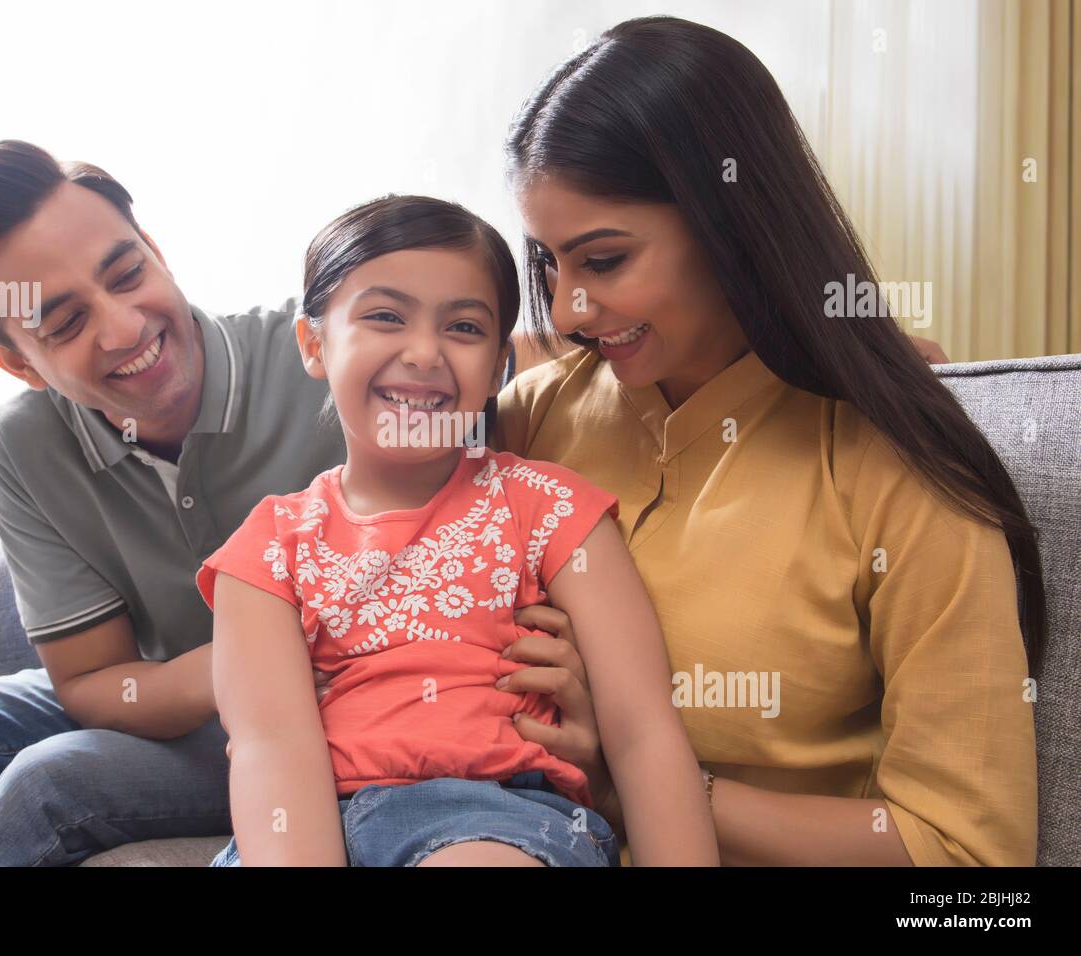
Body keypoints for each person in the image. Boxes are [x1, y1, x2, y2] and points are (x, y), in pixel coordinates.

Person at [493, 16, 1041, 865]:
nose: (566, 309)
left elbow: (967, 855)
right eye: (549, 265)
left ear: (728, 224)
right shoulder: (535, 417)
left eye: (603, 262)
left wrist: (642, 782)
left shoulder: (891, 463)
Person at [198, 194, 718, 866]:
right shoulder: (267, 545)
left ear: (501, 362)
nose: (423, 353)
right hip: (313, 817)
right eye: (385, 317)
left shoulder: (550, 506)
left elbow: (643, 730)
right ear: (314, 344)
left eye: (464, 328)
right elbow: (272, 750)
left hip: (496, 817)